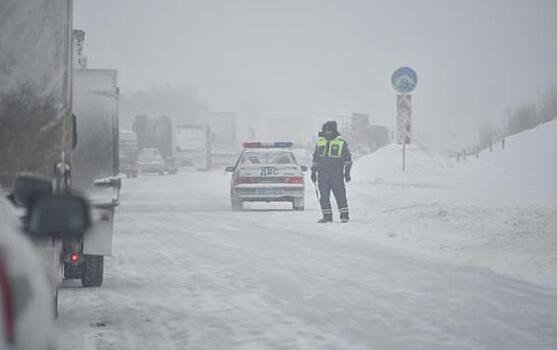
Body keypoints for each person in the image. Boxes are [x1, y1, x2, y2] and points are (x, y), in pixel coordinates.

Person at [311, 121, 352, 223]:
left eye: (330, 130)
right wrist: (313, 172)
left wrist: (347, 172)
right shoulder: (320, 142)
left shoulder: (341, 142)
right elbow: (315, 158)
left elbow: (347, 159)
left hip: (336, 174)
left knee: (340, 195)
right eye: (326, 130)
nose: (327, 132)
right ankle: (327, 216)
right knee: (324, 197)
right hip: (322, 175)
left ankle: (344, 216)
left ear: (334, 130)